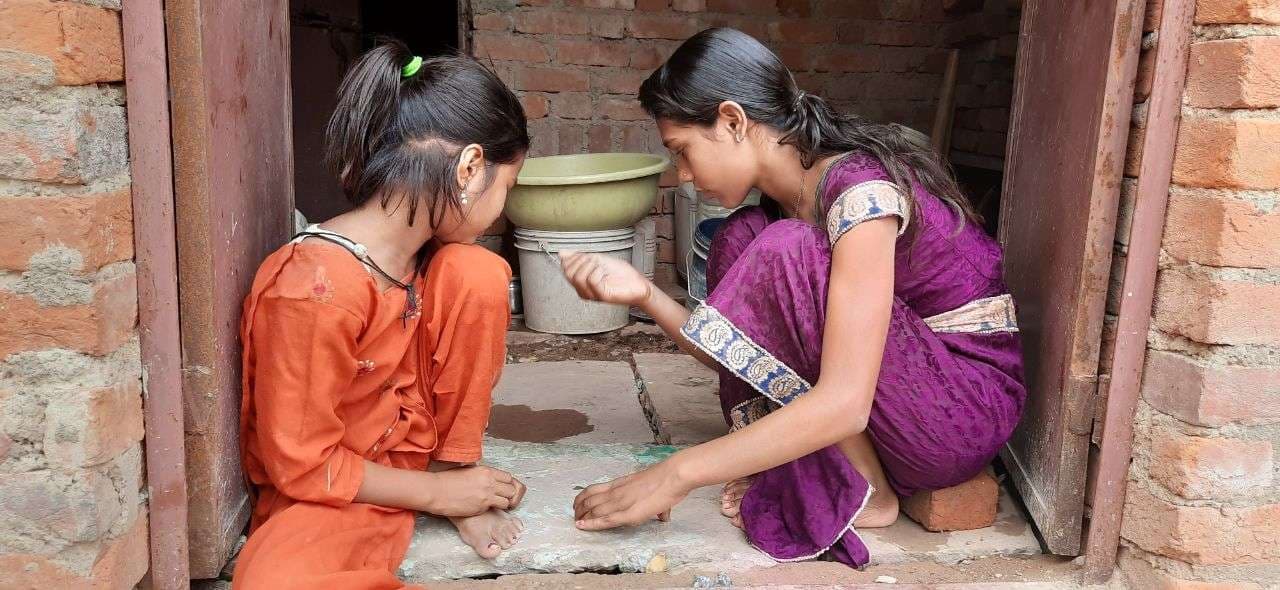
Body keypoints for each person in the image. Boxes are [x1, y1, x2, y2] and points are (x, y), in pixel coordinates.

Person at [559, 28, 1025, 568]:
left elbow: (847, 403)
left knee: (784, 252)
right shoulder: (779, 209)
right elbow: (738, 353)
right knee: (745, 239)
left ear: (733, 122)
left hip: (956, 410)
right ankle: (829, 463)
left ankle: (868, 488)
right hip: (897, 405)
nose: (683, 177)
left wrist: (678, 472)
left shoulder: (859, 193)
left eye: (682, 152)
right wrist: (644, 294)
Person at [233, 41, 530, 589]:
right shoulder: (313, 289)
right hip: (341, 485)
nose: (501, 209)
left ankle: (453, 467)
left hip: (420, 462)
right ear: (470, 167)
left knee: (478, 272)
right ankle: (444, 489)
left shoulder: (429, 261)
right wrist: (433, 498)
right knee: (278, 578)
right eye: (506, 187)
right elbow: (302, 468)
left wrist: (449, 481)